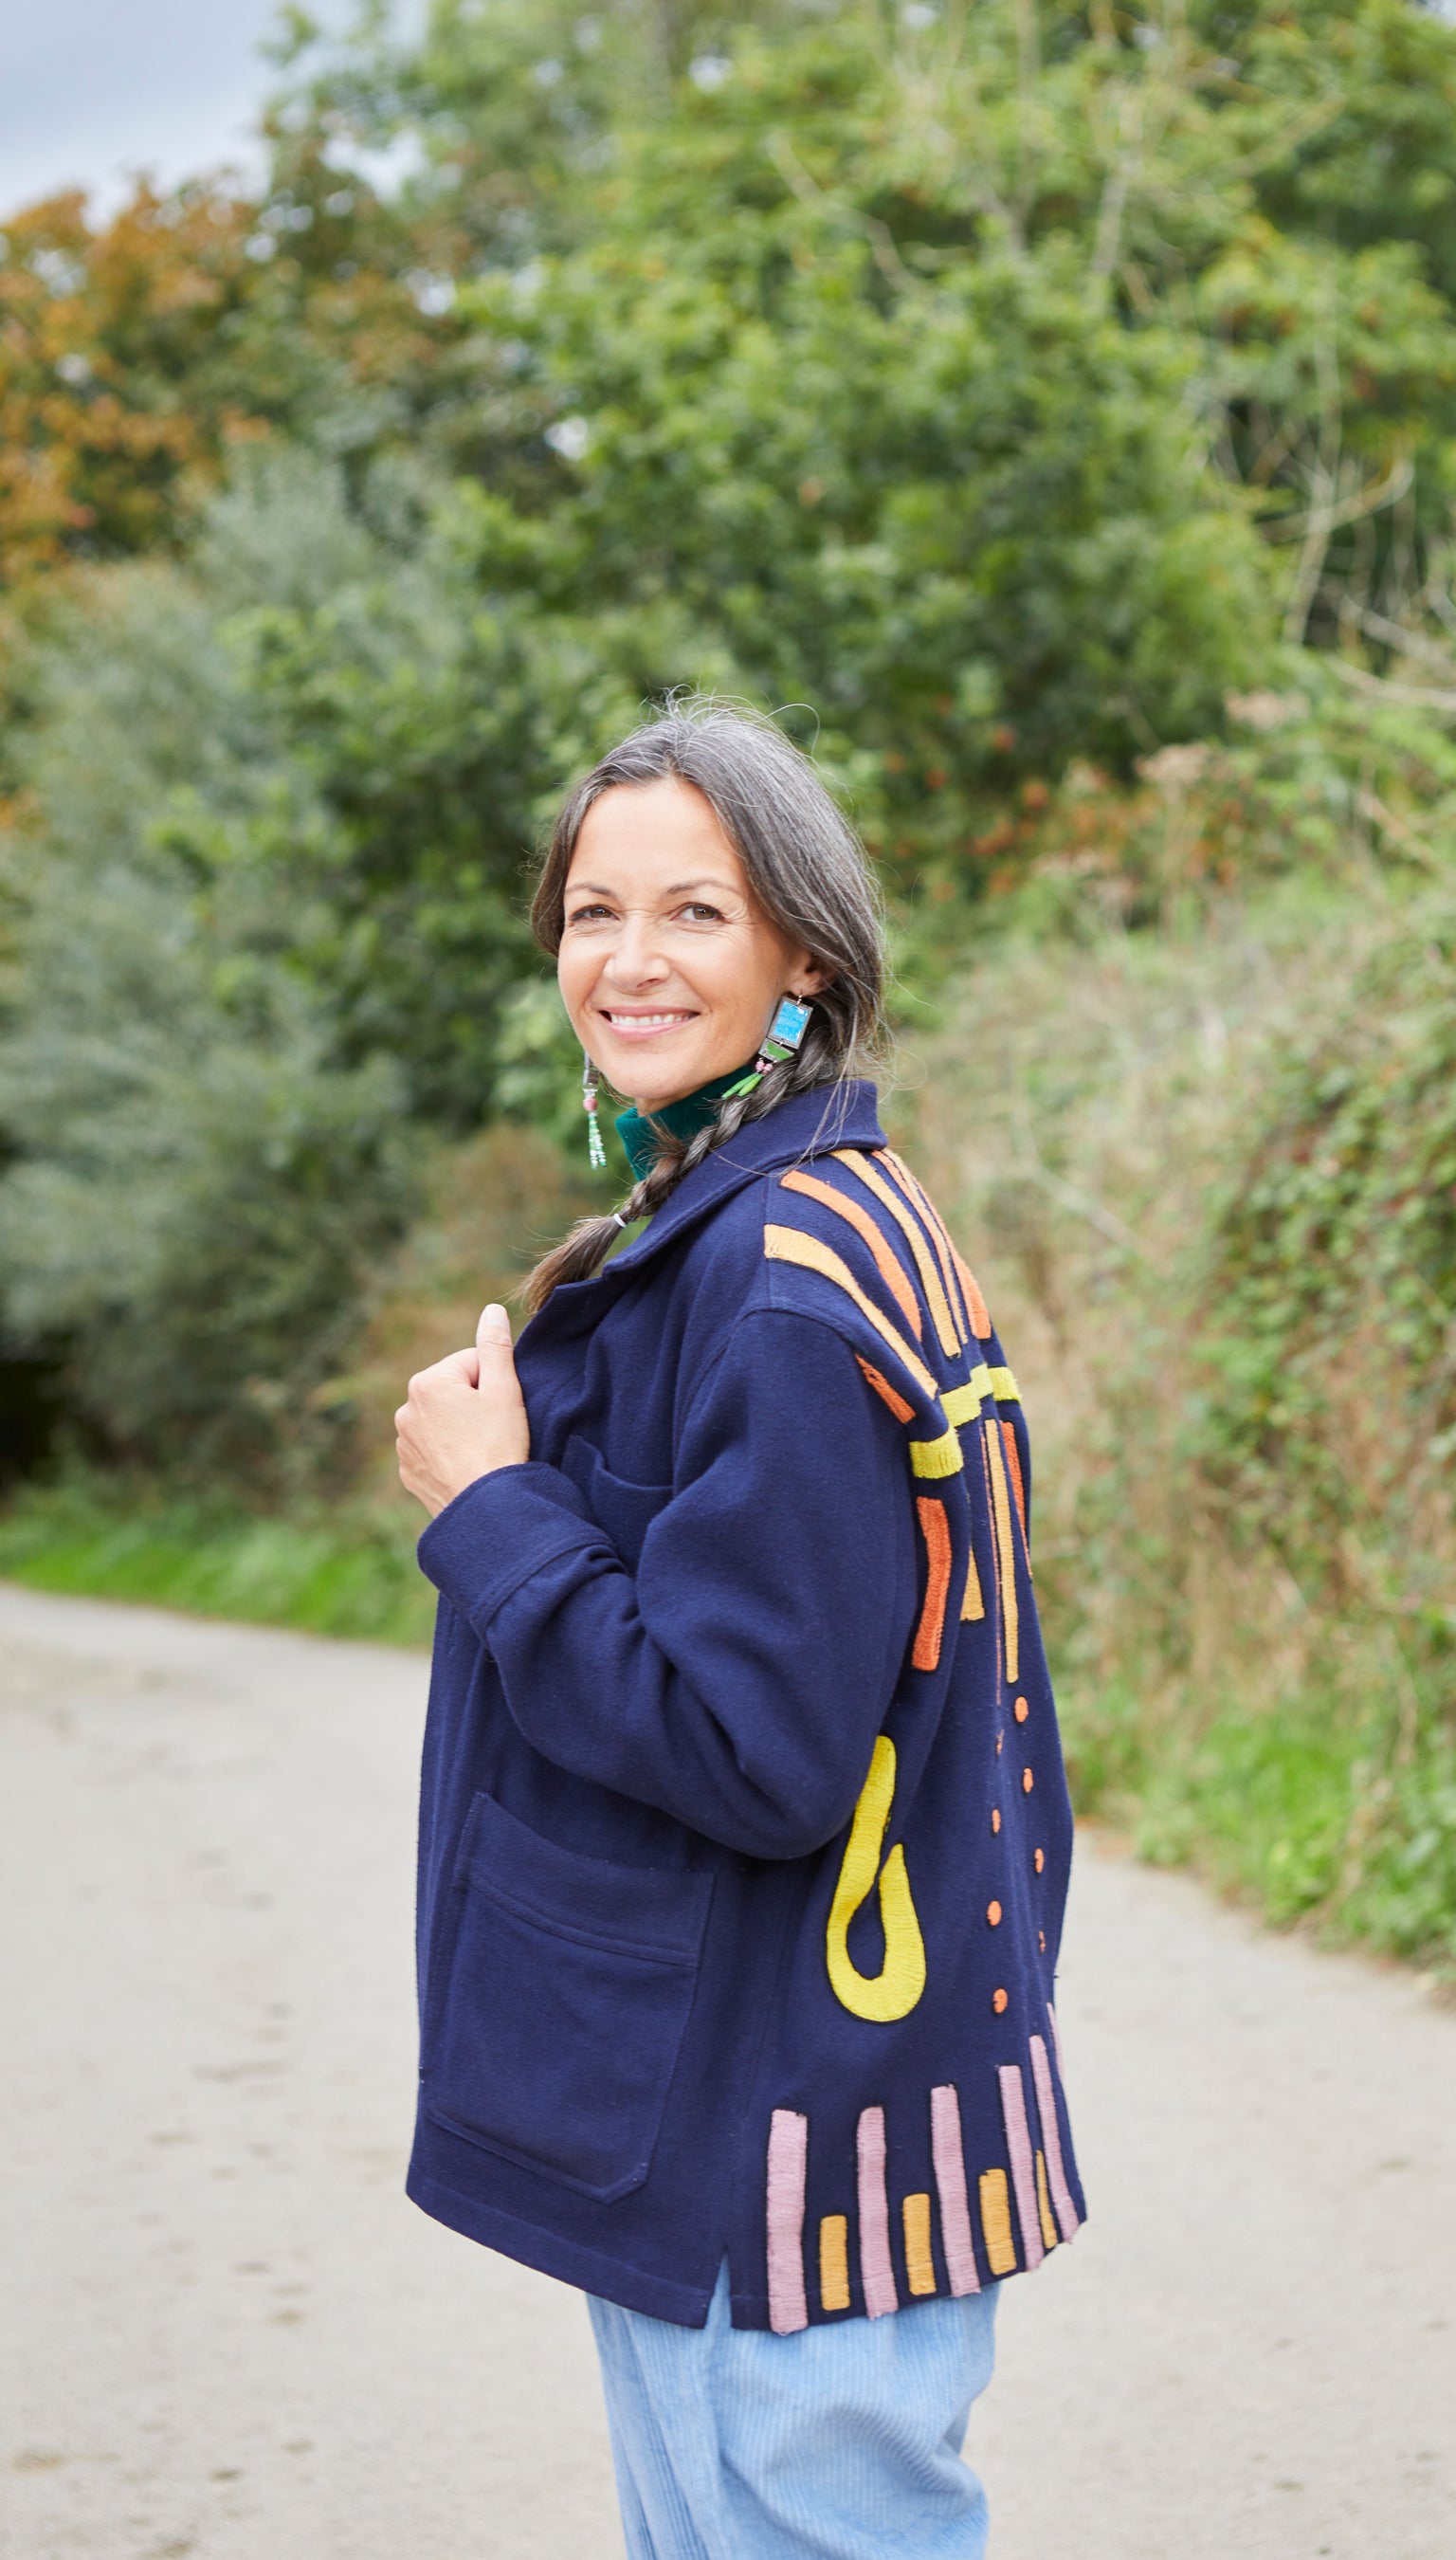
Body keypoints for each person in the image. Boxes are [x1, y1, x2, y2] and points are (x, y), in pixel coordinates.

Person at [393, 699, 1084, 2559]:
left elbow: (752, 1753)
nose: (626, 961)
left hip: (784, 2140)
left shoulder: (784, 1278)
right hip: (760, 2107)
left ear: (801, 959)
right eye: (590, 914)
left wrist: (493, 1512)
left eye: (694, 913)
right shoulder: (780, 1220)